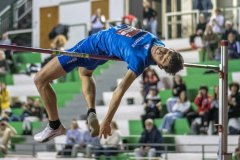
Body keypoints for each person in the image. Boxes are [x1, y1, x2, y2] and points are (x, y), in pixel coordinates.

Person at [33, 24, 184, 143]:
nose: (161, 51)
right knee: (85, 72)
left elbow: (120, 90)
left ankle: (54, 126)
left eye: (162, 58)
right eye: (166, 51)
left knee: (40, 80)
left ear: (160, 66)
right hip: (105, 50)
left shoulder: (138, 61)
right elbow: (163, 54)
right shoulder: (158, 42)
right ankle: (91, 111)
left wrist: (107, 121)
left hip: (92, 46)